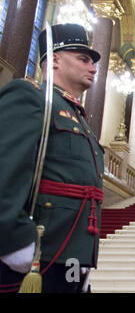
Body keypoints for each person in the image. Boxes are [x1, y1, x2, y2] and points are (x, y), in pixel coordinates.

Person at [0, 24, 103, 293]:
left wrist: (80, 262)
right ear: (55, 59)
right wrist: (16, 244)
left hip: (69, 258)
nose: (93, 68)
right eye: (84, 59)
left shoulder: (79, 119)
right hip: (36, 258)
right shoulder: (31, 98)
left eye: (93, 62)